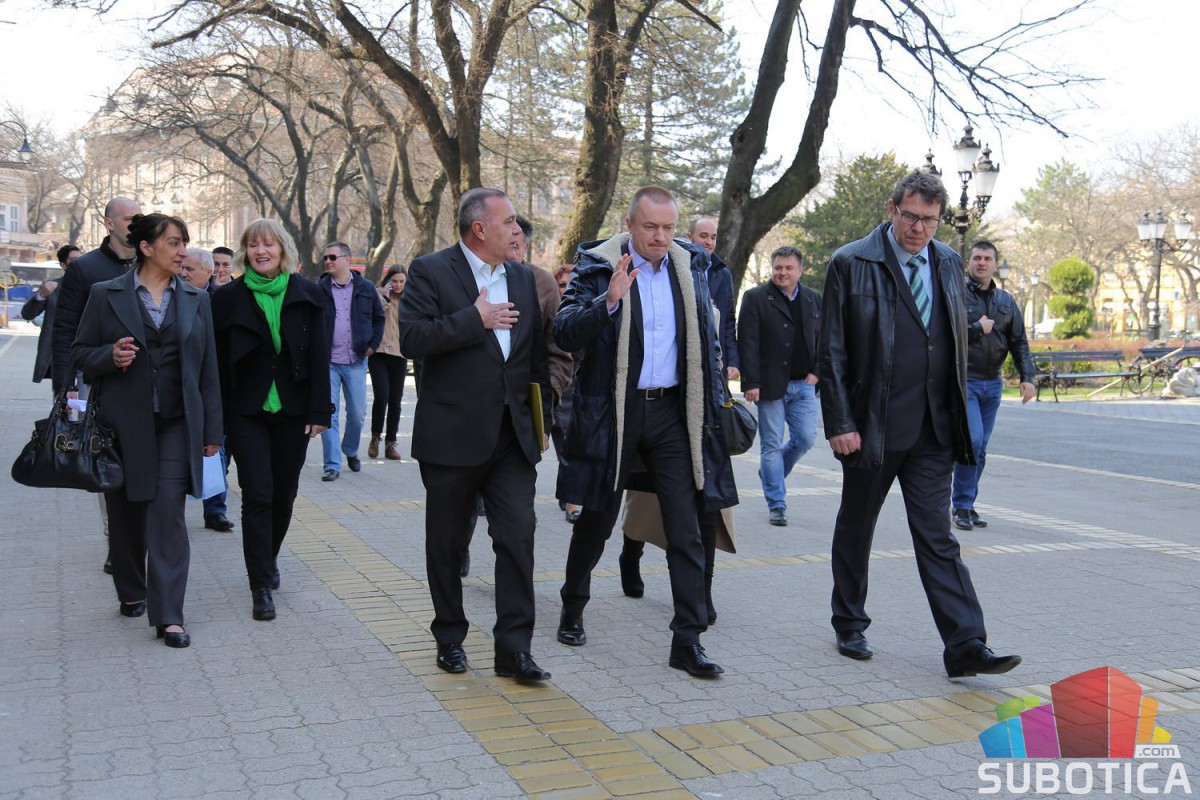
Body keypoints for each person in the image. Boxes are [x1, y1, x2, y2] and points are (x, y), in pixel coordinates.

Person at [818, 171, 1022, 678]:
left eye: (930, 220)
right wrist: (840, 421)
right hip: (872, 426)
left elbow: (951, 337)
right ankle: (849, 621)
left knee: (937, 536)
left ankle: (966, 643)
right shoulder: (851, 262)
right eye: (910, 216)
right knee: (857, 525)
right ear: (892, 209)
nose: (919, 229)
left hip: (934, 428)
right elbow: (832, 350)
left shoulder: (948, 262)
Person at [554, 185, 736, 679]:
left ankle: (687, 639)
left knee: (687, 526)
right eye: (650, 227)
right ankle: (573, 605)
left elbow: (709, 338)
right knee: (597, 519)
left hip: (674, 412)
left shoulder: (691, 266)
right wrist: (608, 303)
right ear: (630, 225)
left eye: (668, 227)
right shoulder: (597, 266)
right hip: (615, 411)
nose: (660, 236)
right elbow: (564, 332)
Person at [397, 187, 553, 683]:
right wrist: (475, 319)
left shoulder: (522, 278)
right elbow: (412, 339)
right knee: (447, 543)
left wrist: (543, 418)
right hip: (452, 435)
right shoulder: (430, 270)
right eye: (509, 222)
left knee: (518, 535)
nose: (518, 230)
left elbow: (535, 357)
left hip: (512, 437)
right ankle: (449, 637)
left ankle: (515, 650)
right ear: (479, 228)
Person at [71, 213, 222, 648]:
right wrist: (109, 357)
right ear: (146, 248)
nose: (182, 252)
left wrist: (212, 430)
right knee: (126, 512)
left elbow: (207, 370)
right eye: (174, 243)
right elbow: (80, 352)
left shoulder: (196, 299)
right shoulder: (106, 294)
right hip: (121, 425)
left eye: (184, 243)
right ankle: (131, 588)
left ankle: (169, 615)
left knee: (168, 512)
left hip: (177, 421)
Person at [212, 219, 331, 622]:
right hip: (245, 411)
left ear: (283, 250)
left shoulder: (308, 294)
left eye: (269, 244)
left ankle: (269, 556)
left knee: (284, 495)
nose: (261, 251)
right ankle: (260, 584)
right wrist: (216, 417)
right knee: (257, 495)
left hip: (294, 411)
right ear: (244, 252)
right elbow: (216, 363)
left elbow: (319, 356)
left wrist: (320, 411)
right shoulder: (227, 299)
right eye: (253, 245)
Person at [52, 197, 141, 574]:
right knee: (107, 461)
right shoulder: (86, 269)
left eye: (140, 218)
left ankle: (141, 536)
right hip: (98, 383)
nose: (135, 224)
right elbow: (65, 330)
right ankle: (115, 540)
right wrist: (66, 385)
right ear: (109, 223)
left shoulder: (151, 261)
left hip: (145, 383)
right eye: (129, 218)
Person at [951, 241, 1036, 531]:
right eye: (977, 258)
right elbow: (946, 333)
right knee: (972, 442)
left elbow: (1019, 342)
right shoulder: (957, 295)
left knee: (981, 448)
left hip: (993, 384)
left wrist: (1027, 377)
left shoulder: (1006, 301)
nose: (982, 263)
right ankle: (961, 504)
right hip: (966, 382)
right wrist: (977, 328)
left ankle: (966, 503)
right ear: (968, 263)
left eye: (987, 259)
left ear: (996, 265)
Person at [738, 245, 821, 526]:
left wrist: (818, 371)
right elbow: (747, 342)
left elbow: (826, 337)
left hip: (804, 384)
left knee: (806, 439)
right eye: (778, 268)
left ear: (800, 270)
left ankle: (769, 474)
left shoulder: (813, 299)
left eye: (788, 268)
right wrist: (751, 382)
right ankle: (777, 503)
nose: (782, 273)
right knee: (771, 445)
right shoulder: (755, 298)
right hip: (769, 385)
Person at [318, 242, 384, 481]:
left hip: (356, 359)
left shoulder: (366, 288)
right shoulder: (320, 289)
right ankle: (332, 464)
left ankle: (350, 449)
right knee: (329, 413)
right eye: (326, 257)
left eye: (333, 257)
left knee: (357, 413)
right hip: (328, 362)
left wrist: (372, 345)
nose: (328, 261)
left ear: (347, 259)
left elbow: (379, 318)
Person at [181, 247, 234, 533]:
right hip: (187, 388)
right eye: (182, 268)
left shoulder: (221, 300)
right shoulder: (174, 296)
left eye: (190, 269)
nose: (184, 274)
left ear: (208, 272)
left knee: (217, 450)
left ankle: (215, 510)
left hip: (219, 387)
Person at [549, 263, 582, 524]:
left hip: (575, 390)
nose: (566, 289)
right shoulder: (548, 311)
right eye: (562, 285)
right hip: (548, 387)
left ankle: (572, 500)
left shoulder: (583, 313)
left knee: (570, 446)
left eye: (571, 284)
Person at [22, 244, 80, 384]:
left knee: (86, 395)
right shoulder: (52, 287)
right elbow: (27, 314)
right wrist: (41, 296)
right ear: (64, 265)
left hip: (88, 354)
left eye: (82, 259)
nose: (80, 263)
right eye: (74, 260)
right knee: (63, 395)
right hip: (61, 354)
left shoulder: (96, 287)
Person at [368, 266, 408, 462]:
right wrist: (384, 297)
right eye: (395, 281)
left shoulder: (410, 299)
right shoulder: (377, 295)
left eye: (402, 282)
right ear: (388, 280)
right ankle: (375, 437)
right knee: (382, 396)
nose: (398, 285)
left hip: (400, 354)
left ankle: (391, 443)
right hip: (379, 353)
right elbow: (372, 314)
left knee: (395, 400)